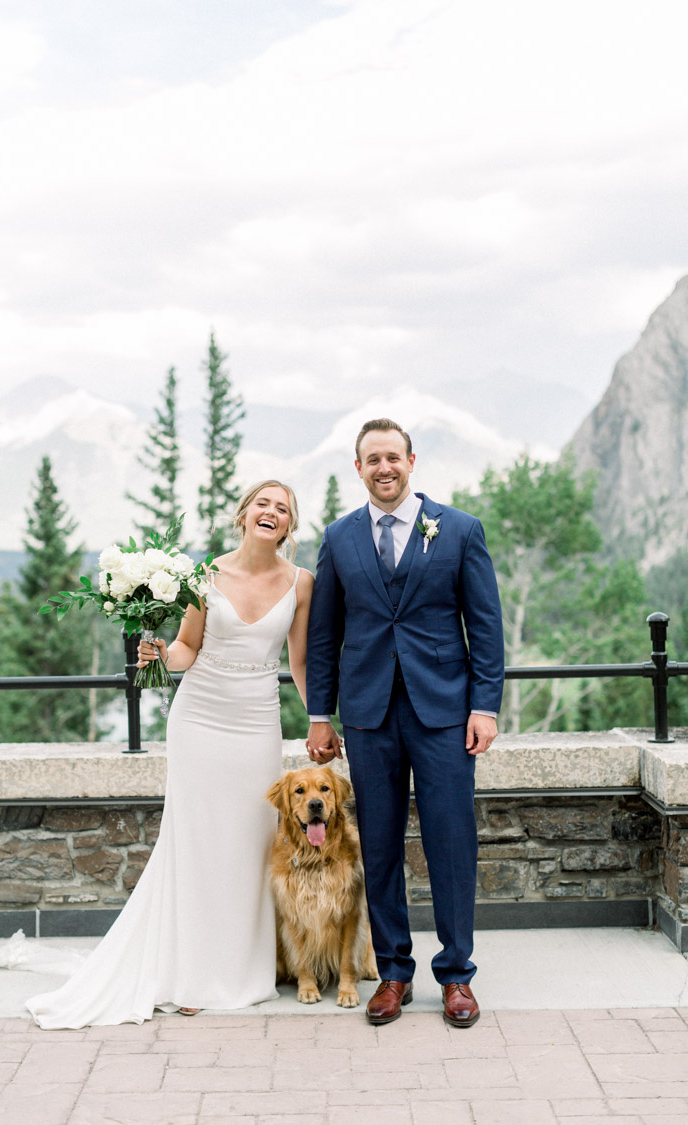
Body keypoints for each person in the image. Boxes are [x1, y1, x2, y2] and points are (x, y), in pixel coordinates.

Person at [27, 480, 313, 1027]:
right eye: (263, 503)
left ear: (290, 525)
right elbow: (188, 647)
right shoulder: (204, 576)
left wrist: (321, 720)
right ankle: (189, 971)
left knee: (249, 844)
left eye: (283, 508)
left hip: (257, 723)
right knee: (197, 843)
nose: (271, 512)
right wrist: (159, 653)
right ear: (244, 513)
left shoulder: (303, 583)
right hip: (200, 717)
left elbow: (298, 662)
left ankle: (241, 970)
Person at [305, 418, 504, 1029]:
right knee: (382, 847)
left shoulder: (460, 530)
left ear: (411, 462)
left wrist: (485, 705)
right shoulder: (339, 539)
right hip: (368, 716)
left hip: (444, 713)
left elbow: (486, 624)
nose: (384, 468)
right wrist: (320, 714)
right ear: (358, 468)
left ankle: (457, 976)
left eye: (393, 457)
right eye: (373, 460)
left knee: (450, 844)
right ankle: (393, 973)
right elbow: (324, 635)